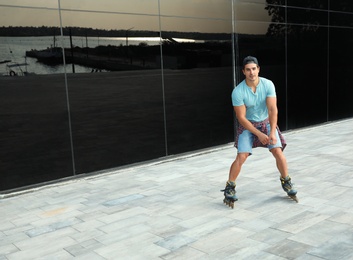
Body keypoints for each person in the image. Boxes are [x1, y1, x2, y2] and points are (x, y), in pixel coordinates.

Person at [222, 56, 297, 208]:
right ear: (243, 71)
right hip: (248, 126)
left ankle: (286, 181)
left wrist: (271, 132)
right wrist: (258, 134)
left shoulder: (268, 84)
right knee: (241, 156)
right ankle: (230, 186)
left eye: (254, 69)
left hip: (267, 123)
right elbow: (241, 118)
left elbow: (272, 109)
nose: (252, 72)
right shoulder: (238, 91)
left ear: (258, 69)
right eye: (248, 70)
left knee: (278, 151)